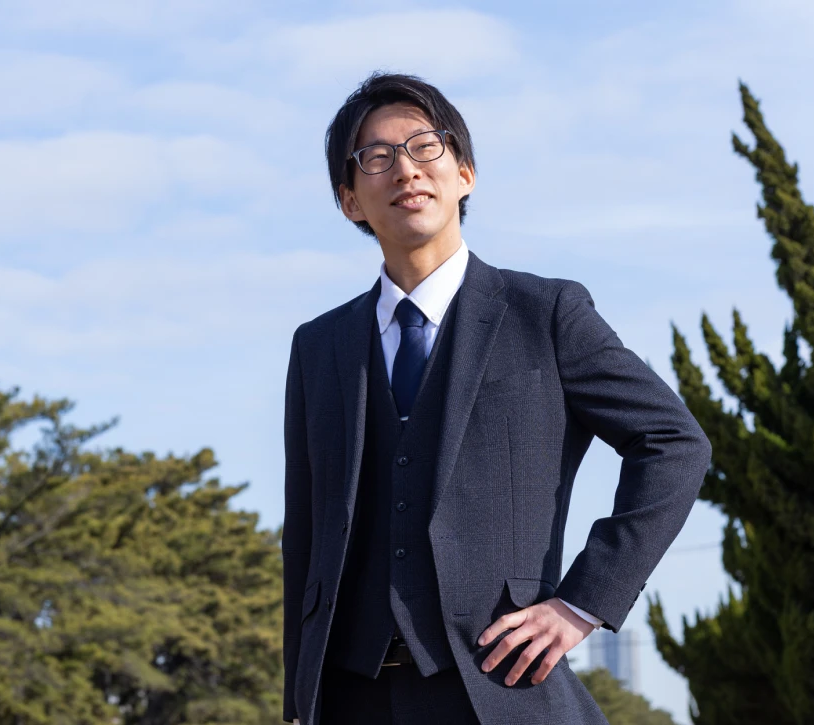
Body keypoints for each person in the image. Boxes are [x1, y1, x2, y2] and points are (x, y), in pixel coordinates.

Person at [281, 72, 711, 725]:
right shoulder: (318, 346)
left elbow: (675, 442)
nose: (405, 169)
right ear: (349, 201)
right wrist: (298, 701)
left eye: (425, 146)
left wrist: (583, 601)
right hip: (350, 695)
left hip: (500, 688)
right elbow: (305, 536)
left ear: (465, 174)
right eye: (377, 156)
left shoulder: (547, 313)